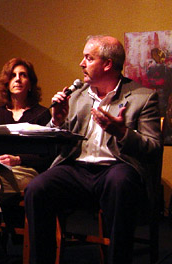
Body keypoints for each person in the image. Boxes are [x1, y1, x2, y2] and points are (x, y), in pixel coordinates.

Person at [24, 35, 163, 264]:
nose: (81, 63)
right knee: (37, 188)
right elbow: (60, 142)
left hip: (116, 167)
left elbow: (154, 148)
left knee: (121, 183)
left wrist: (122, 133)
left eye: (88, 58)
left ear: (107, 64)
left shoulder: (143, 97)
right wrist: (57, 121)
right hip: (77, 168)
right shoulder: (77, 95)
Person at [0, 58, 52, 260]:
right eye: (13, 76)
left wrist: (18, 158)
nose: (18, 79)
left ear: (31, 84)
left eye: (23, 75)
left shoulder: (41, 114)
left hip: (27, 172)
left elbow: (47, 157)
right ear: (6, 83)